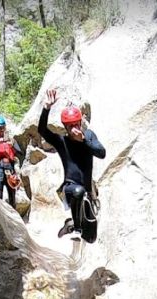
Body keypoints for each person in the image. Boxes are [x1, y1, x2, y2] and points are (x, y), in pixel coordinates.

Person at [38, 89, 106, 240]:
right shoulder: (62, 141)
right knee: (78, 191)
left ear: (81, 122)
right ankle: (75, 228)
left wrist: (84, 141)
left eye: (76, 124)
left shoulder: (89, 136)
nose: (74, 128)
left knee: (90, 238)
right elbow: (42, 130)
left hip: (88, 192)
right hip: (71, 189)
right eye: (70, 126)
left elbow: (102, 153)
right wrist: (46, 108)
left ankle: (70, 223)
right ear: (65, 127)